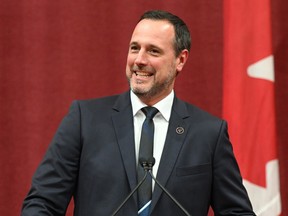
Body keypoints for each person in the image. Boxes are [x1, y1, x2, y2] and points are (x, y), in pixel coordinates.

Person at [22, 10, 255, 216]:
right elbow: (42, 203)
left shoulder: (208, 133)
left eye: (153, 51)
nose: (139, 60)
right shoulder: (85, 120)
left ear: (180, 60)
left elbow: (237, 211)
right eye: (135, 48)